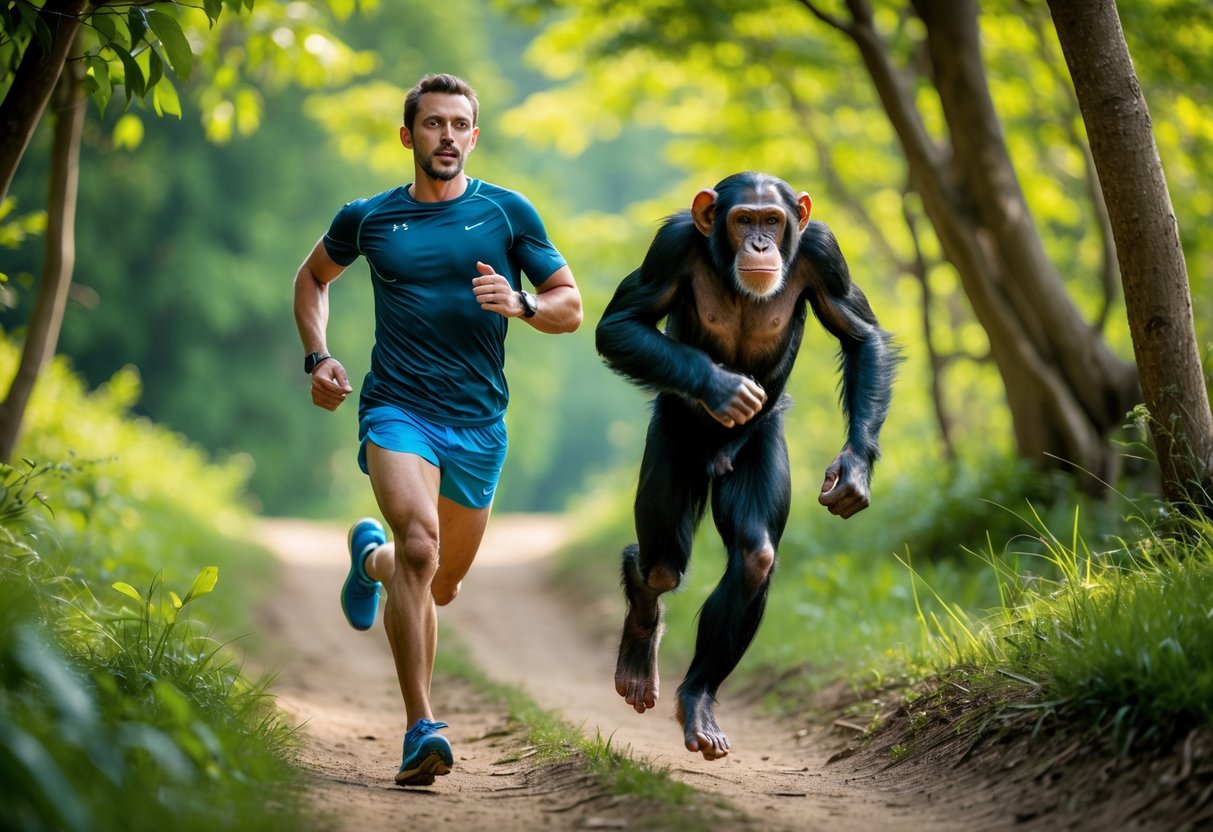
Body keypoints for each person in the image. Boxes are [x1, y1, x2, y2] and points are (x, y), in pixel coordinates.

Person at [292, 73, 582, 786]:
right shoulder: (366, 218)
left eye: (458, 124)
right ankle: (421, 727)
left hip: (478, 423)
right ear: (408, 136)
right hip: (396, 408)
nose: (446, 135)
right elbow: (312, 279)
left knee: (438, 581)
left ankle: (370, 561)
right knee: (420, 547)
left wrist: (518, 303)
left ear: (473, 137)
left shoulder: (507, 213)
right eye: (432, 124)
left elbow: (569, 305)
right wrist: (320, 356)